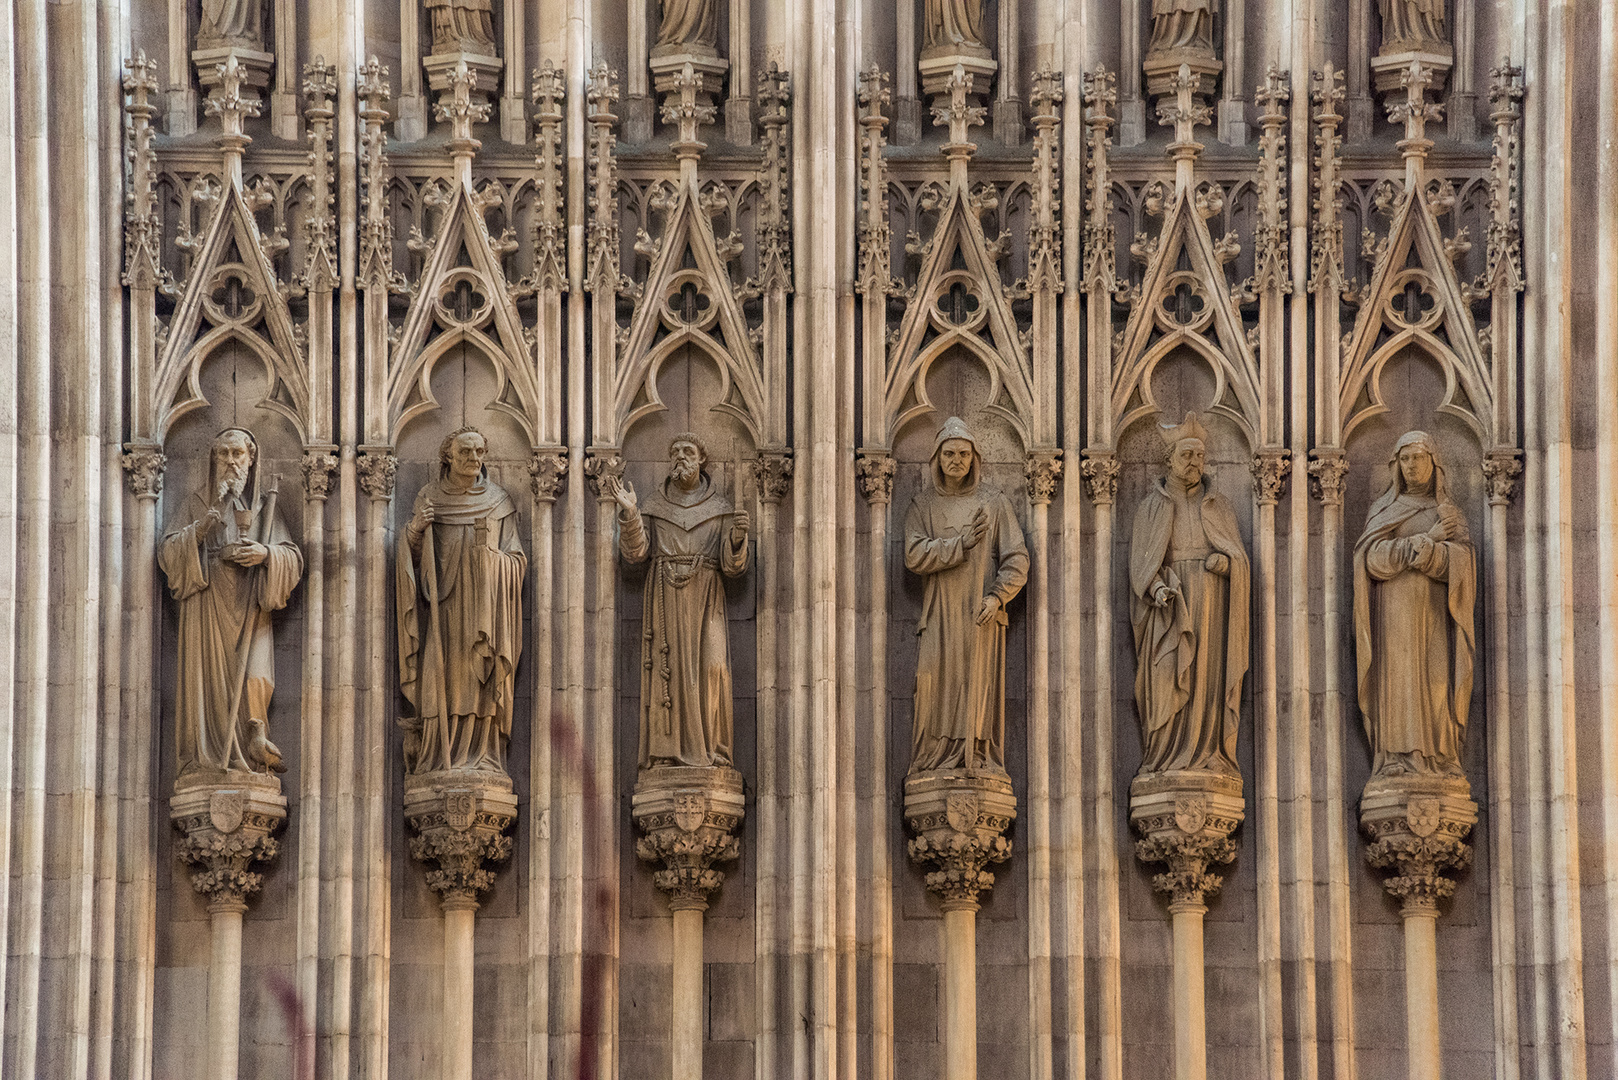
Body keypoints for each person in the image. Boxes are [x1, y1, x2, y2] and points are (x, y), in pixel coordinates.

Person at [160, 428, 303, 777]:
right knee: (206, 690)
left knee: (255, 678)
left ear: (250, 458)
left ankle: (251, 753)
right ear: (213, 459)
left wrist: (265, 554)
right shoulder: (195, 504)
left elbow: (292, 559)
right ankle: (208, 762)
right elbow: (168, 553)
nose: (230, 462)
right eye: (223, 454)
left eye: (237, 454)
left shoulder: (264, 508)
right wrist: (203, 526)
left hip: (251, 607)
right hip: (206, 606)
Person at [606, 434, 750, 769]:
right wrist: (630, 515)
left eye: (688, 452)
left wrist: (739, 537)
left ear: (702, 459)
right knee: (665, 675)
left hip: (706, 596)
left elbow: (732, 567)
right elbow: (637, 554)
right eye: (674, 452)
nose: (680, 457)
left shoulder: (722, 509)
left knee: (713, 668)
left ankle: (714, 752)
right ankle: (667, 753)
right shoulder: (655, 507)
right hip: (665, 598)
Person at [398, 426, 527, 775]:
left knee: (480, 681)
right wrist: (415, 529)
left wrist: (492, 560)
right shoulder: (429, 498)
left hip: (486, 611)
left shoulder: (499, 501)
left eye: (479, 452)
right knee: (442, 679)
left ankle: (483, 755)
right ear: (448, 457)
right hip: (445, 611)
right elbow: (410, 558)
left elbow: (517, 560)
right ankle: (439, 757)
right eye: (465, 452)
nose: (473, 458)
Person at [903, 417, 1029, 774]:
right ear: (937, 459)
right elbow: (913, 554)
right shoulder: (922, 505)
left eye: (963, 453)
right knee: (931, 681)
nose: (956, 460)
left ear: (974, 459)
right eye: (949, 454)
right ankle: (933, 759)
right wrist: (960, 544)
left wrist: (996, 597)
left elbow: (1017, 559)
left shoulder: (993, 502)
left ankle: (975, 757)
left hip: (979, 613)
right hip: (940, 614)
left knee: (976, 686)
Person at [1129, 412, 1250, 777]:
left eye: (1200, 456)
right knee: (1167, 677)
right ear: (1169, 460)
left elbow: (1239, 559)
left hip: (1212, 603)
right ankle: (1164, 757)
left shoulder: (1218, 505)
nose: (1195, 463)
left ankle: (1207, 751)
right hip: (1170, 607)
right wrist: (1157, 585)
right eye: (1187, 455)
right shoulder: (1151, 507)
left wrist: (1227, 565)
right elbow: (1141, 564)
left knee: (1206, 681)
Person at [1353, 430, 1475, 779]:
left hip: (1437, 613)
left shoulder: (1449, 514)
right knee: (1399, 682)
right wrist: (1426, 541)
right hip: (1394, 614)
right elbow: (1371, 559)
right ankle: (1395, 757)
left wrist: (1435, 554)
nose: (1411, 466)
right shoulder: (1385, 509)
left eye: (1418, 458)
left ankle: (1441, 757)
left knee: (1436, 678)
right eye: (1404, 459)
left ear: (1433, 462)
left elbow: (1465, 565)